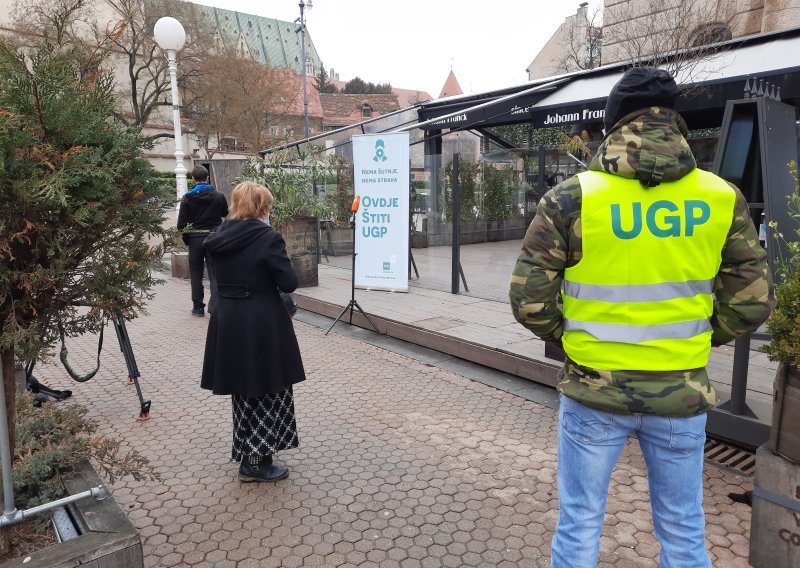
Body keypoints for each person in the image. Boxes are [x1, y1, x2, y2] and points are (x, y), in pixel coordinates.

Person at [509, 67, 774, 567]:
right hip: (681, 393)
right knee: (682, 528)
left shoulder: (572, 197)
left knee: (580, 522)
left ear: (612, 125)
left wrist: (568, 337)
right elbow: (754, 299)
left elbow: (528, 298)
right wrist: (700, 336)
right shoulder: (721, 197)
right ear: (676, 123)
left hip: (593, 391)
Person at [201, 181, 305, 483]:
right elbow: (288, 282)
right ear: (262, 207)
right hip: (261, 321)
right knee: (267, 387)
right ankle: (256, 463)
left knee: (244, 390)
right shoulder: (267, 237)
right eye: (268, 205)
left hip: (230, 320)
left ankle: (252, 454)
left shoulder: (216, 237)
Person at [177, 165, 228, 317]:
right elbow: (224, 212)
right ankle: (215, 306)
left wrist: (188, 238)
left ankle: (198, 307)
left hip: (195, 239)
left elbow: (181, 225)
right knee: (214, 272)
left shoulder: (187, 198)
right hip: (214, 237)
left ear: (193, 179)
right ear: (207, 178)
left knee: (196, 273)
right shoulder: (218, 196)